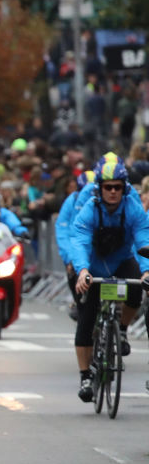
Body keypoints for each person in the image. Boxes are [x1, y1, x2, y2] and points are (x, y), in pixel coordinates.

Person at [71, 158, 149, 402]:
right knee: (87, 317)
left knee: (137, 290)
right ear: (100, 188)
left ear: (124, 187)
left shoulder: (133, 207)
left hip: (122, 261)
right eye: (108, 187)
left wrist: (147, 271)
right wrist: (82, 271)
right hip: (94, 265)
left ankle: (122, 330)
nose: (113, 192)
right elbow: (80, 240)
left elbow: (143, 240)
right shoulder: (90, 209)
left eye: (117, 187)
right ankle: (85, 375)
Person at [55, 171, 96, 321]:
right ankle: (79, 304)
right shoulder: (71, 201)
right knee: (73, 269)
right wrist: (69, 258)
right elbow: (64, 231)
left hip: (100, 251)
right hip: (79, 248)